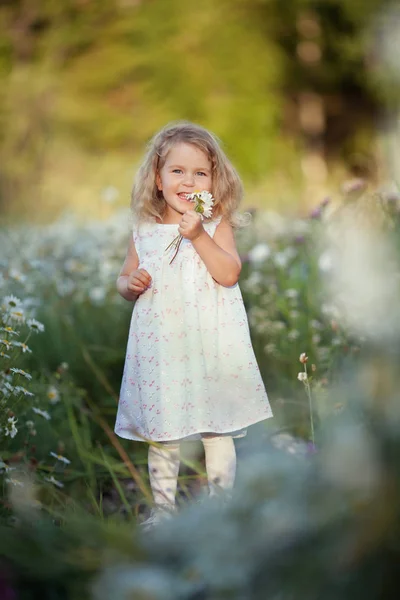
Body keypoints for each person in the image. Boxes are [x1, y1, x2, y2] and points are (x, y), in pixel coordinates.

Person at [115, 121, 272, 526]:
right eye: (178, 171)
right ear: (157, 177)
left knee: (216, 427)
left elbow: (229, 273)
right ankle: (163, 510)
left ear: (214, 180)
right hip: (163, 346)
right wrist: (129, 284)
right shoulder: (145, 229)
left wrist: (199, 234)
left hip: (210, 342)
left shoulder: (215, 223)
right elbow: (123, 277)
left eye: (200, 172)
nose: (189, 180)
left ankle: (222, 508)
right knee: (163, 431)